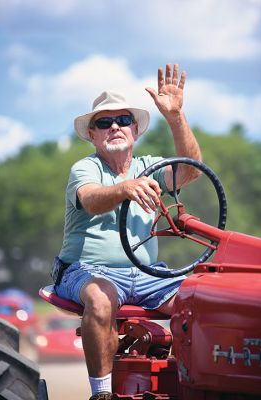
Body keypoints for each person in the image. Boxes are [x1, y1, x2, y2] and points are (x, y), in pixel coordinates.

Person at [54, 64, 202, 400]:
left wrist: (176, 116)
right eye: (103, 122)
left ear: (135, 130)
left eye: (123, 120)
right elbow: (91, 200)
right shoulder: (86, 168)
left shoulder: (149, 167)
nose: (115, 127)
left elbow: (191, 171)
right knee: (100, 297)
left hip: (148, 274)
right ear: (92, 134)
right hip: (88, 271)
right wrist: (125, 188)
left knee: (201, 303)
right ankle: (102, 393)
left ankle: (192, 384)